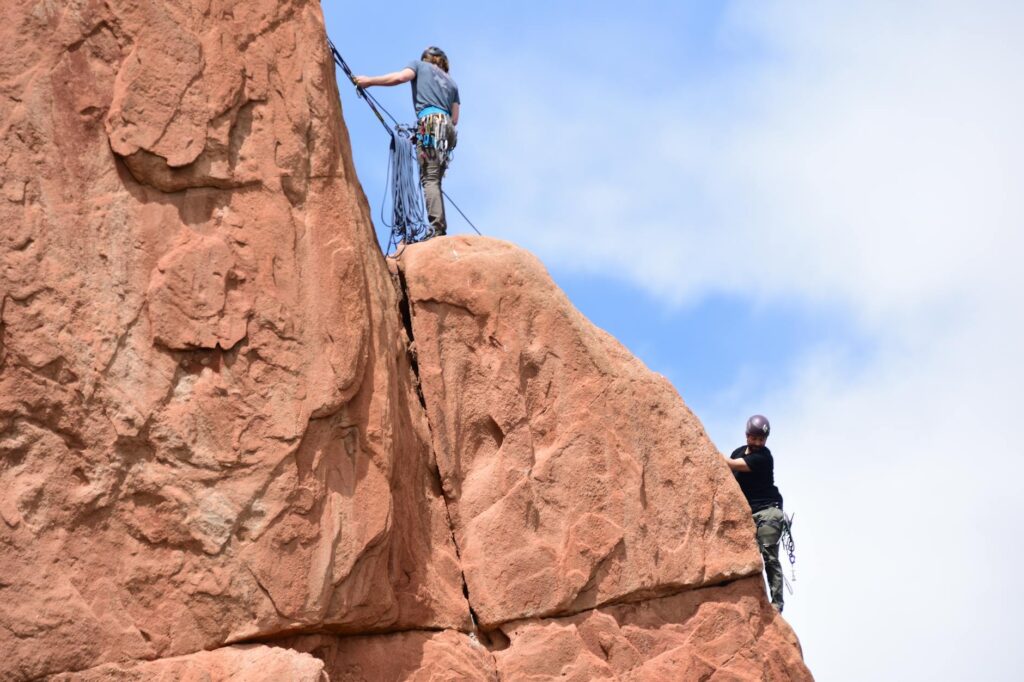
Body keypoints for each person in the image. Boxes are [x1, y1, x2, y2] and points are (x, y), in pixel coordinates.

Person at [355, 47, 460, 237]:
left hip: (431, 124)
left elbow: (400, 78)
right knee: (434, 179)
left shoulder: (418, 65)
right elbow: (455, 118)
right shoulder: (452, 83)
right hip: (447, 131)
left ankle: (437, 229)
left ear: (426, 58)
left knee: (429, 179)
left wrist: (369, 81)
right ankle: (439, 225)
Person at [724, 414, 787, 612]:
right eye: (754, 438)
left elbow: (733, 465)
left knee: (769, 556)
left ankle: (777, 603)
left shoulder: (763, 457)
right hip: (748, 513)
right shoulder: (738, 452)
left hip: (768, 512)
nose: (758, 442)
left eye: (762, 439)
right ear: (747, 436)